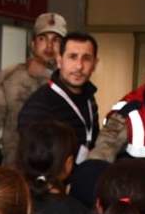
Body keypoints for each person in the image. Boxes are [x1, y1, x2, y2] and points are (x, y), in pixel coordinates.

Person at [0, 13, 66, 167]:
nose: (49, 46)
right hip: (15, 169)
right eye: (43, 39)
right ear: (33, 44)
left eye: (56, 40)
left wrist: (44, 75)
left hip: (56, 170)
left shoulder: (70, 83)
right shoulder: (11, 77)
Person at [16, 32, 101, 163]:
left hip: (83, 180)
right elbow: (31, 162)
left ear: (95, 64)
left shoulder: (89, 99)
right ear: (60, 61)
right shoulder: (39, 105)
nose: (79, 66)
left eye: (86, 58)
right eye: (72, 57)